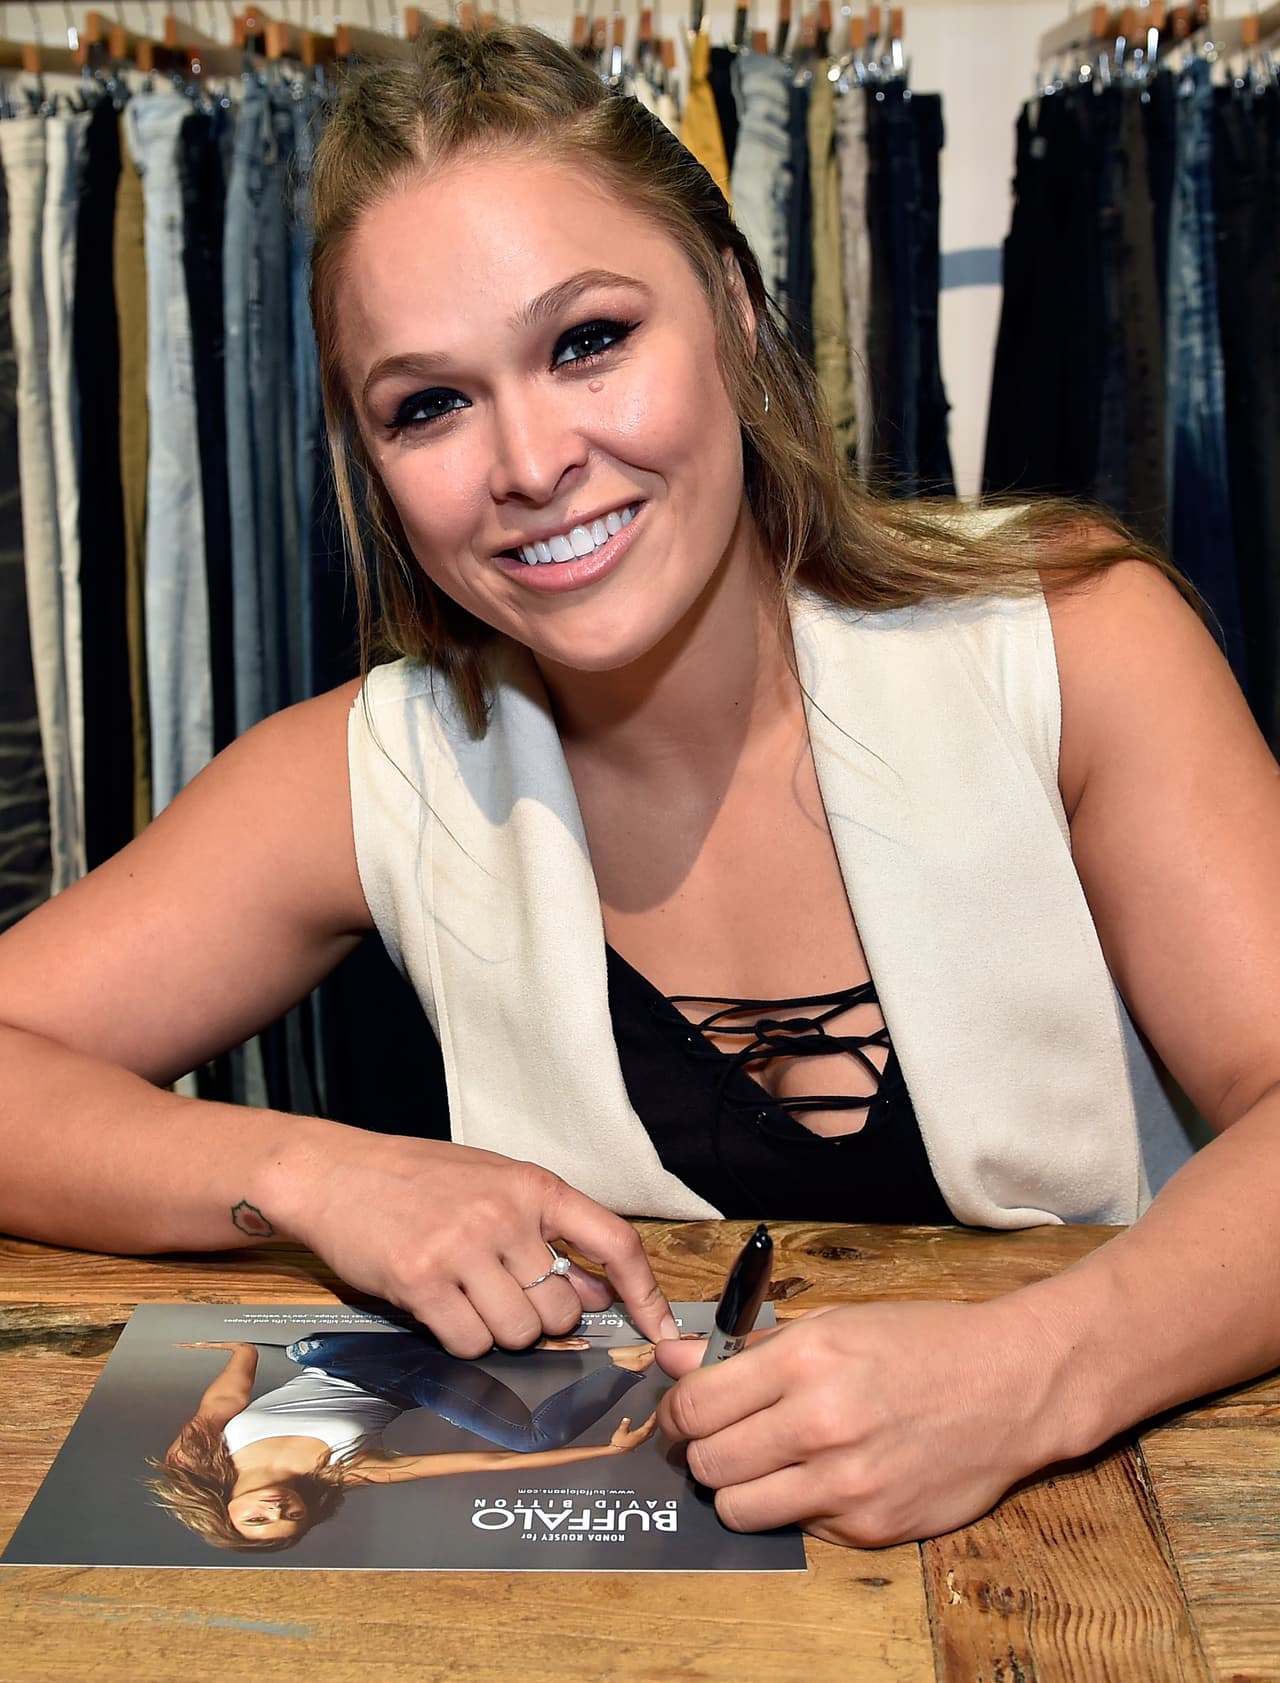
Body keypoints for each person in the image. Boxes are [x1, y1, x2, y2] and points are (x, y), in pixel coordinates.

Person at [0, 23, 1277, 1551]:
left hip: (1102, 1575)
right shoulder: (378, 768)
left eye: (588, 338)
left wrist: (1033, 1375)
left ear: (733, 313)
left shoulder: (1071, 641)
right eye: (428, 405)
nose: (532, 457)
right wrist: (313, 1167)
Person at [149, 1333, 658, 1551]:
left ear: (226, 1512)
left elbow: (222, 1401)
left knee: (310, 1347)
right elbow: (487, 1464)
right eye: (290, 1518)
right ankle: (624, 1368)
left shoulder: (199, 1457)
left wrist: (242, 1349)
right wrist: (609, 1451)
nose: (279, 1509)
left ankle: (499, 1338)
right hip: (422, 1379)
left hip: (336, 1355)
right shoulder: (350, 1471)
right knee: (531, 1439)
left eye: (258, 1519)